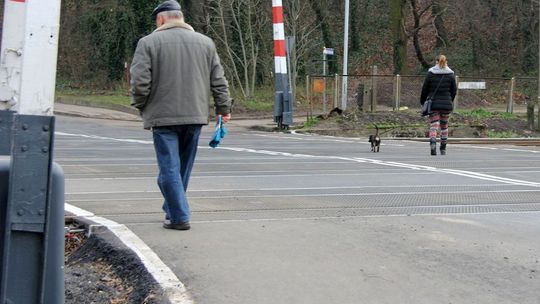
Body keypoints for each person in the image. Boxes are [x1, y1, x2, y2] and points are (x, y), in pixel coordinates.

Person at [130, 0, 232, 230]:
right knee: (180, 168)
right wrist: (223, 109)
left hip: (162, 116)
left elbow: (139, 82)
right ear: (180, 17)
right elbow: (218, 80)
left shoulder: (148, 43)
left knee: (169, 169)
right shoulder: (206, 43)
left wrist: (140, 105)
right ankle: (172, 208)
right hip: (195, 115)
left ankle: (179, 217)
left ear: (161, 19)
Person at [420, 55, 457, 156]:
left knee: (434, 125)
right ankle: (443, 148)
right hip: (446, 104)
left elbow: (425, 89)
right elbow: (454, 91)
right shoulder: (450, 74)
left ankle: (432, 141)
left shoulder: (431, 73)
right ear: (446, 62)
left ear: (436, 62)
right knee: (444, 126)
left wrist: (423, 101)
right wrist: (450, 100)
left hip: (433, 104)